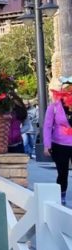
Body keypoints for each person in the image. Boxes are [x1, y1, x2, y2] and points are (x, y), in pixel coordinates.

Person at [43, 77, 72, 206]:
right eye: (66, 90)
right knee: (62, 173)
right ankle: (61, 195)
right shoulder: (54, 107)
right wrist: (46, 145)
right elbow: (47, 126)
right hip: (59, 144)